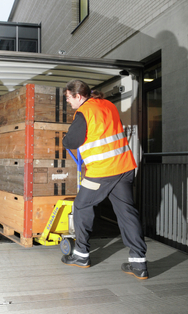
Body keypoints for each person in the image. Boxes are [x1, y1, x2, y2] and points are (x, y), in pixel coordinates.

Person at [61, 79, 148, 280]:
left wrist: (66, 139)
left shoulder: (84, 112)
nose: (68, 102)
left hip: (102, 172)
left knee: (81, 206)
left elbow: (72, 141)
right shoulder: (108, 105)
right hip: (124, 168)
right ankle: (139, 263)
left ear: (78, 96)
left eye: (68, 98)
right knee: (127, 213)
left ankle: (81, 255)